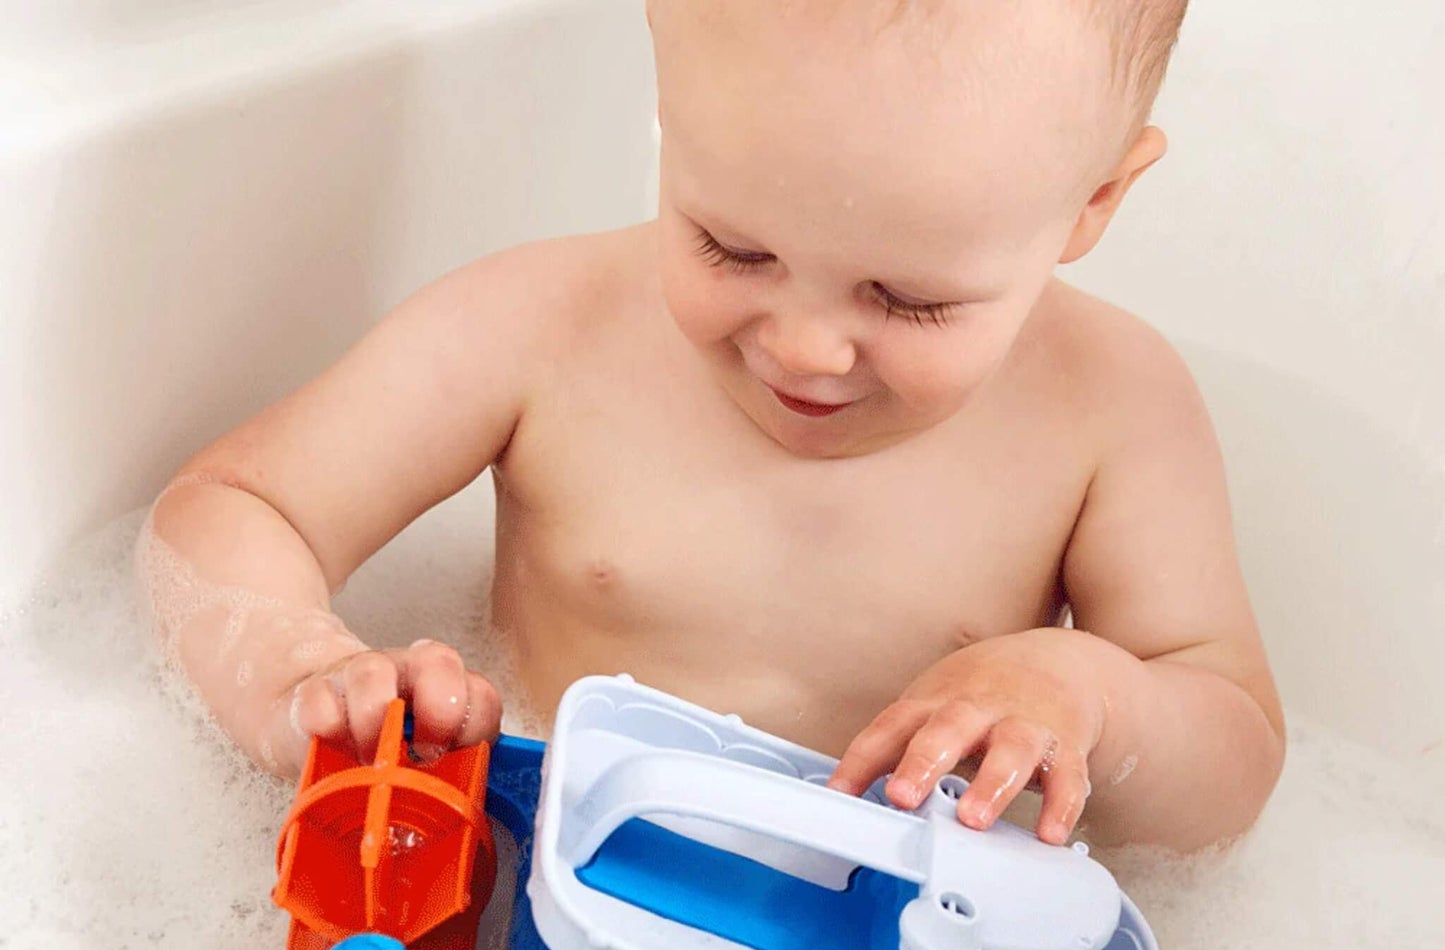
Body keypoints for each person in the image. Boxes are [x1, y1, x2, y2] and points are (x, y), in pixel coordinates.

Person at [141, 0, 1284, 853]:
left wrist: (1087, 692)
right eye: (731, 247)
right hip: (523, 893)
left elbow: (1230, 752)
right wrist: (302, 671)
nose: (802, 347)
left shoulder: (1110, 406)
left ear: (1093, 201)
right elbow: (233, 506)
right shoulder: (543, 325)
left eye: (908, 298)